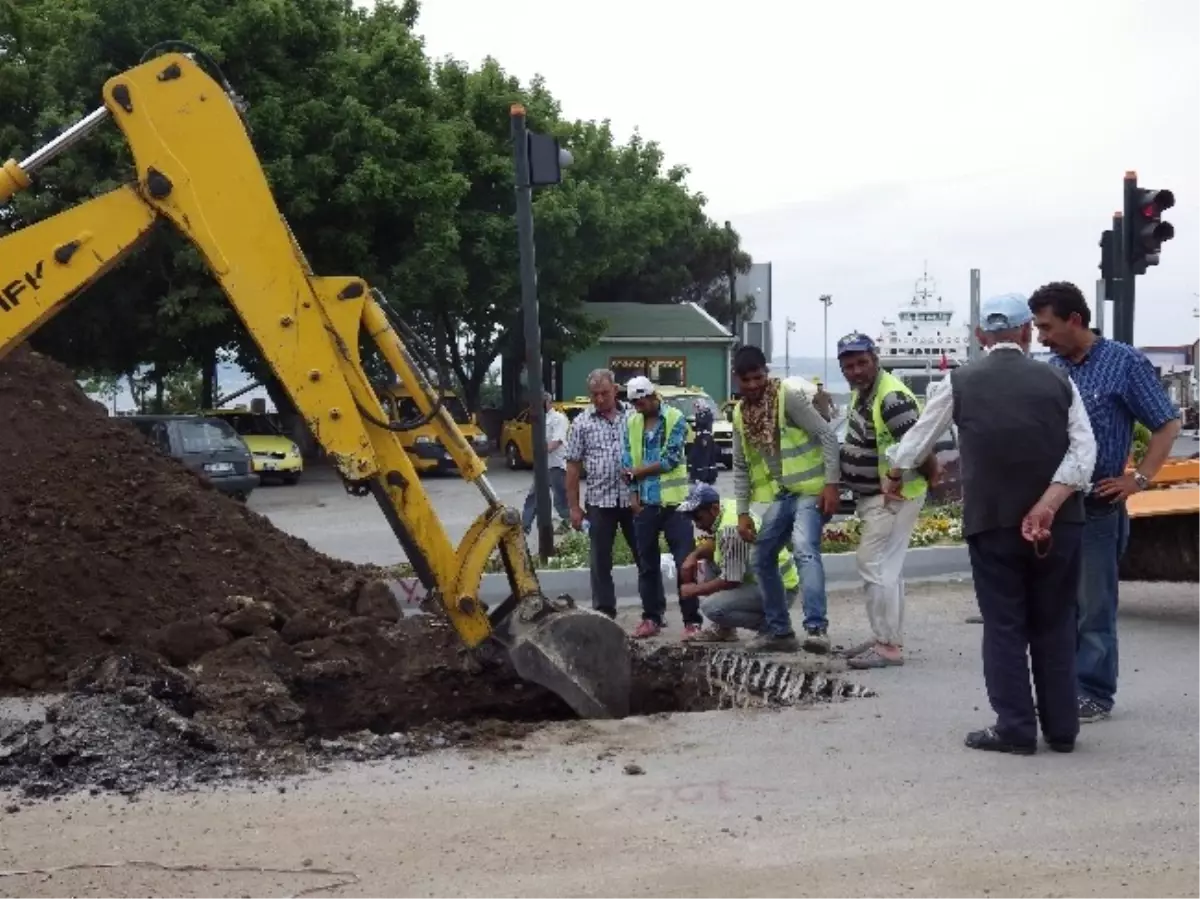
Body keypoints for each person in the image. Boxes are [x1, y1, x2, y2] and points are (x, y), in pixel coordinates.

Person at [886, 292, 1096, 754]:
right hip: (1061, 526)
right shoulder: (1060, 380)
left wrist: (896, 473)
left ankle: (1016, 728)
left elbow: (915, 440)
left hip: (993, 522)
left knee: (1004, 625)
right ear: (1025, 334)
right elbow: (1085, 453)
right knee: (1057, 623)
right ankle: (1062, 729)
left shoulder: (958, 382)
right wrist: (1047, 504)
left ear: (980, 337)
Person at [1028, 282, 1181, 723]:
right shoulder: (1052, 369)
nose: (1042, 337)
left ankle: (1094, 693)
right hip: (1057, 508)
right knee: (1060, 606)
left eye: (1047, 326)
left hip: (1098, 508)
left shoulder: (1123, 362)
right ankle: (1065, 688)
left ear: (1075, 320)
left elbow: (1167, 425)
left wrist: (1139, 478)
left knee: (1094, 606)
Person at [836, 332, 940, 670]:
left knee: (874, 564)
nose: (856, 371)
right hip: (880, 496)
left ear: (875, 359)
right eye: (849, 365)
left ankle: (887, 645)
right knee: (886, 569)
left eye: (862, 363)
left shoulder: (891, 397)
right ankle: (886, 637)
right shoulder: (865, 393)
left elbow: (919, 446)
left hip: (894, 496)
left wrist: (927, 477)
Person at [731, 344, 842, 654]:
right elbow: (740, 467)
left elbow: (828, 436)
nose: (754, 385)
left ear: (767, 373)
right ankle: (780, 632)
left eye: (758, 377)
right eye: (747, 380)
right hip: (785, 492)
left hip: (812, 489)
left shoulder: (786, 398)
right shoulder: (741, 414)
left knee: (805, 549)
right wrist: (742, 512)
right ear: (736, 379)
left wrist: (831, 484)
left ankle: (816, 629)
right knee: (762, 557)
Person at [674, 483, 801, 642]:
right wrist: (694, 555)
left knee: (712, 608)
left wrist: (693, 590)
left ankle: (775, 626)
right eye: (692, 519)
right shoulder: (726, 508)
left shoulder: (730, 529)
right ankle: (725, 630)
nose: (697, 525)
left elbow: (731, 580)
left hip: (779, 588)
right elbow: (716, 548)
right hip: (762, 581)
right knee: (710, 562)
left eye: (698, 517)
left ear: (713, 509)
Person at [621, 376, 698, 638]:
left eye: (641, 400)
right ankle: (651, 618)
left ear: (653, 395)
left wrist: (636, 473)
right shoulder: (631, 422)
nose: (638, 406)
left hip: (675, 503)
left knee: (685, 563)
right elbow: (627, 458)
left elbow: (671, 460)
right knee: (647, 565)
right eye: (633, 402)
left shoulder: (675, 418)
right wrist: (633, 495)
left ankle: (691, 621)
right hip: (645, 504)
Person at [565, 369, 639, 619]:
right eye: (594, 394)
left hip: (634, 499)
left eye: (604, 393)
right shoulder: (581, 423)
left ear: (615, 390)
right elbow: (573, 466)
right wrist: (574, 507)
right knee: (600, 562)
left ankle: (653, 611)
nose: (599, 399)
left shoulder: (634, 414)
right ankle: (605, 612)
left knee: (644, 555)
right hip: (599, 501)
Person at [520, 391, 571, 534]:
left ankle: (568, 522)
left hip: (556, 464)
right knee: (534, 495)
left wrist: (541, 452)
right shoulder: (539, 420)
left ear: (548, 402)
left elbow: (556, 441)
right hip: (543, 466)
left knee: (560, 498)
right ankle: (524, 525)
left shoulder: (558, 419)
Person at [687, 404, 720, 485]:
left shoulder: (708, 415)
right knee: (695, 457)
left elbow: (708, 427)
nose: (697, 409)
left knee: (705, 458)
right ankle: (695, 476)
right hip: (698, 439)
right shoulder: (698, 415)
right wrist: (694, 426)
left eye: (698, 407)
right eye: (696, 407)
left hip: (706, 439)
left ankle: (706, 477)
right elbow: (698, 425)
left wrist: (705, 438)